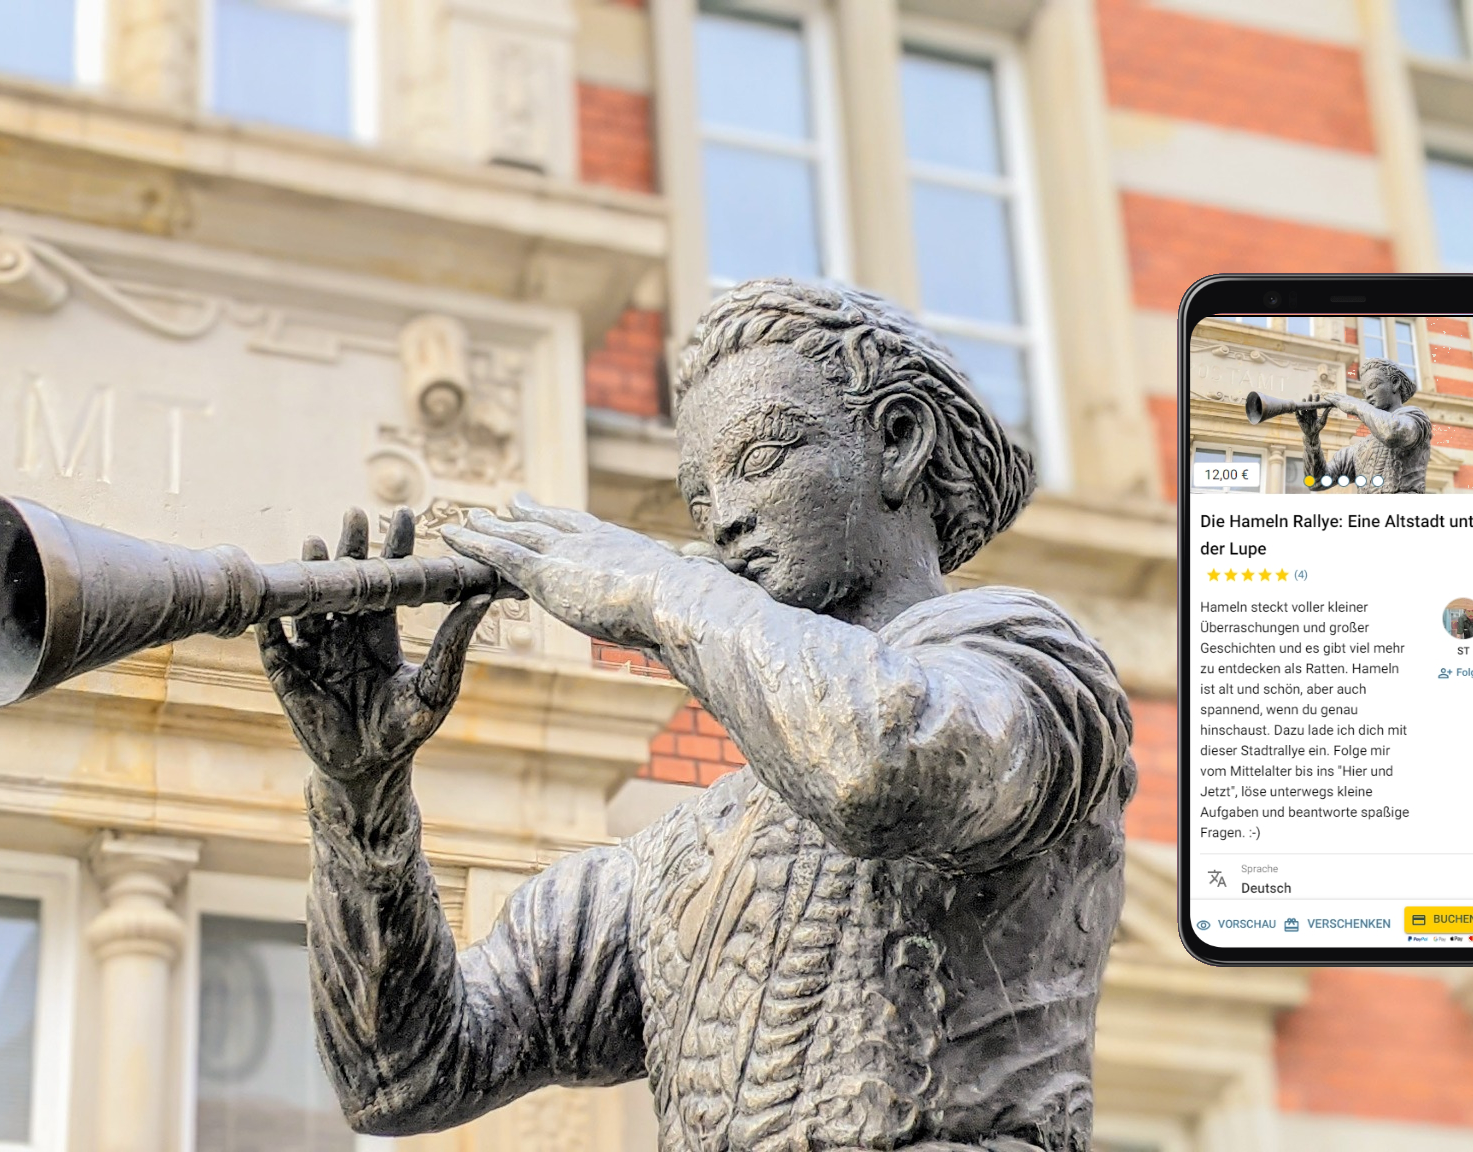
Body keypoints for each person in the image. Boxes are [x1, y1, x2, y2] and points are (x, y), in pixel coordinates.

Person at [256, 278, 1136, 1151]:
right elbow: (399, 1076)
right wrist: (361, 794)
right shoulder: (678, 862)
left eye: (760, 459)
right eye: (703, 501)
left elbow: (878, 765)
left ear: (898, 442)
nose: (727, 524)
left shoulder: (1025, 661)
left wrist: (653, 590)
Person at [1297, 359, 1432, 493]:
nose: (1367, 395)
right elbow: (1315, 482)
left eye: (1373, 385)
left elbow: (1392, 433)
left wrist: (1356, 405)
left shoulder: (1414, 418)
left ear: (1395, 383)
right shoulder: (1358, 450)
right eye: (1364, 391)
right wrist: (1311, 438)